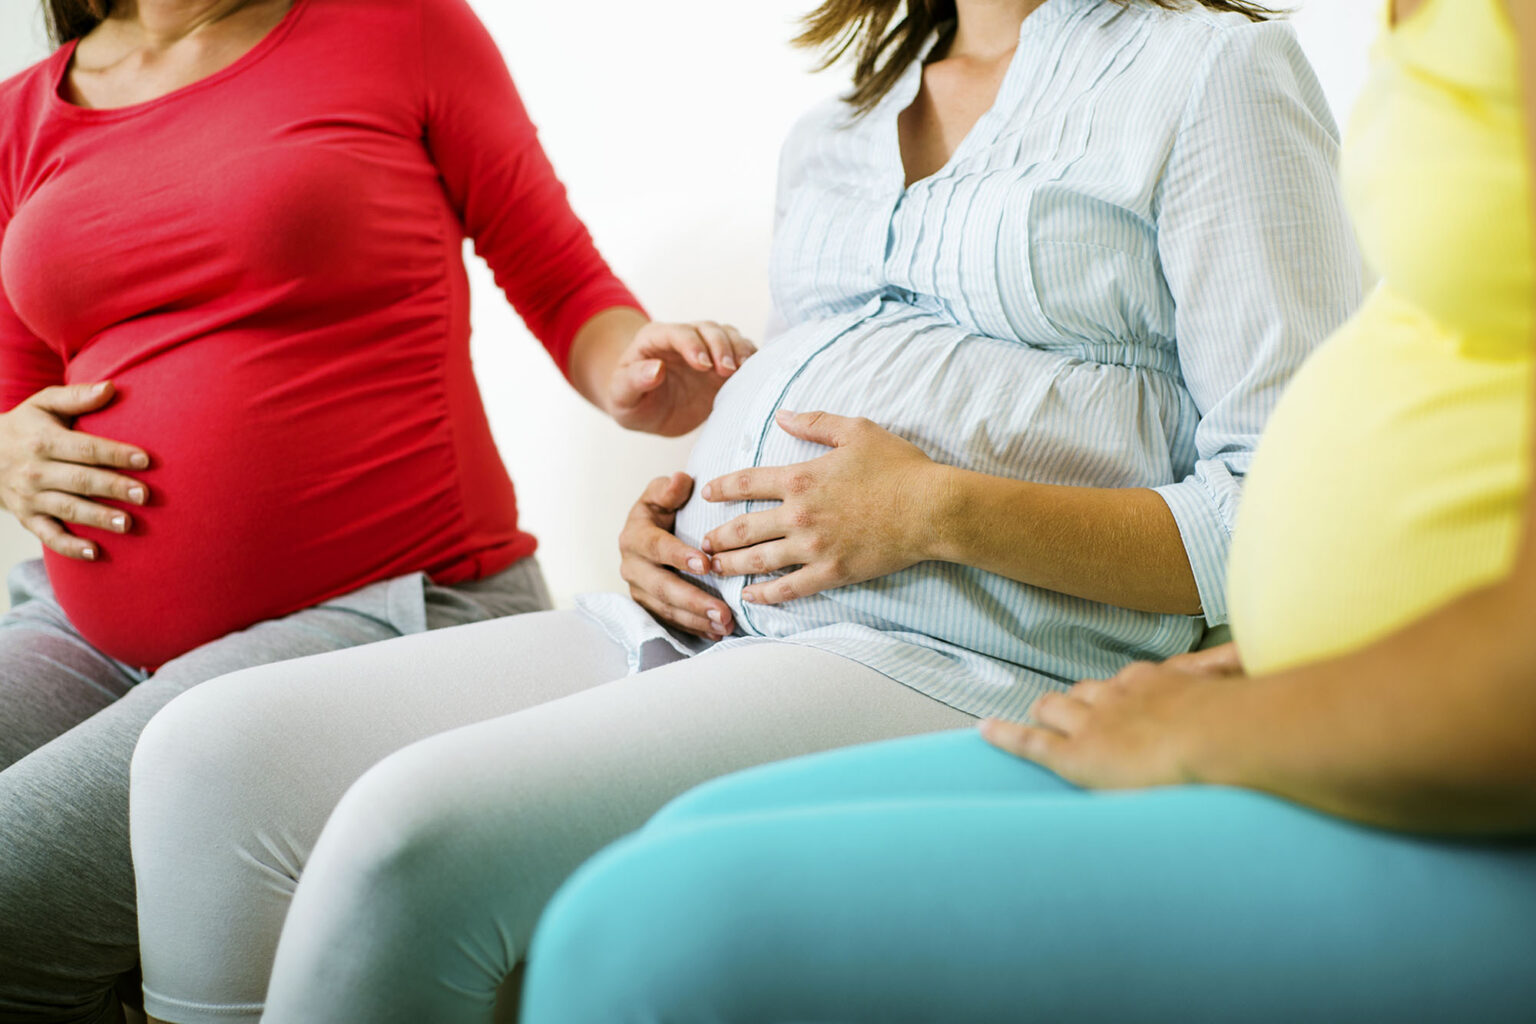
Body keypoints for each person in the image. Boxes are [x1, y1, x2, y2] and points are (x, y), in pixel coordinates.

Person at [125, 0, 1362, 1020]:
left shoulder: (1214, 74)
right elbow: (822, 406)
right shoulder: (840, 124)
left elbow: (1285, 519)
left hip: (958, 651)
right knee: (206, 756)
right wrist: (674, 522)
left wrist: (935, 512)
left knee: (408, 843)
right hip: (707, 620)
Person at [518, 0, 1536, 1020]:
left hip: (984, 652)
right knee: (638, 860)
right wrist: (695, 514)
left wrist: (1229, 717)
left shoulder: (1213, 72)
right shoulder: (838, 127)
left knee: (626, 923)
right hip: (734, 618)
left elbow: (1252, 488)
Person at [0, 0, 749, 1019]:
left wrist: (636, 371)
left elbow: (566, 283)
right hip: (79, 627)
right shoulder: (21, 115)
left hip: (393, 602)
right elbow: (21, 385)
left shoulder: (401, 28)